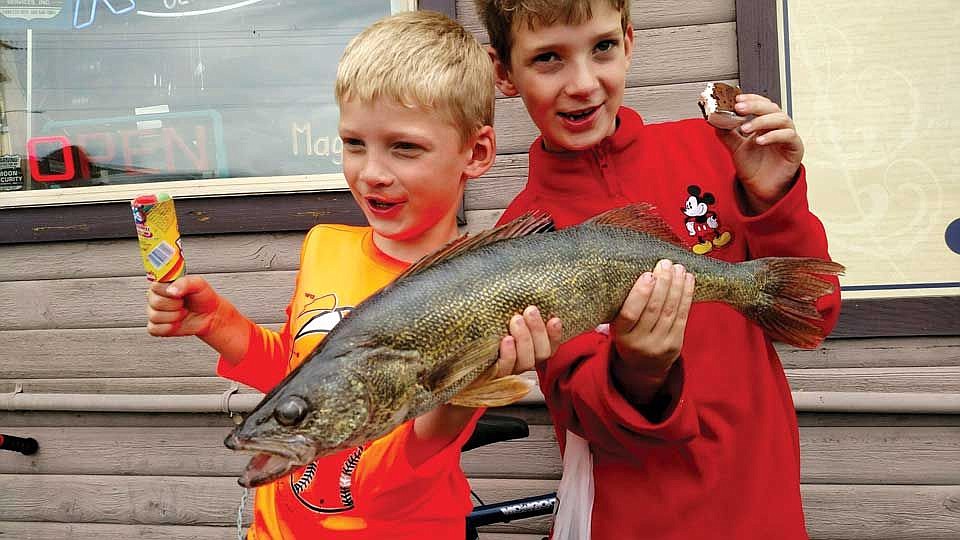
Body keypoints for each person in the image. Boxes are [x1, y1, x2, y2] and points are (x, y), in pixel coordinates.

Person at [145, 11, 560, 539]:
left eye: (404, 147)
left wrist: (457, 401)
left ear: (474, 153)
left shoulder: (480, 287)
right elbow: (298, 374)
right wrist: (216, 324)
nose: (372, 172)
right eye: (353, 143)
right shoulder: (325, 246)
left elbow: (407, 467)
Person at [474, 1, 842, 538]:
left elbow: (813, 314)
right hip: (631, 522)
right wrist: (640, 372)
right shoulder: (523, 236)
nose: (582, 84)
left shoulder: (713, 152)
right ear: (503, 72)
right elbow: (582, 411)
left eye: (601, 47)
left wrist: (775, 199)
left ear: (628, 41)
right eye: (548, 58)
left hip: (764, 510)